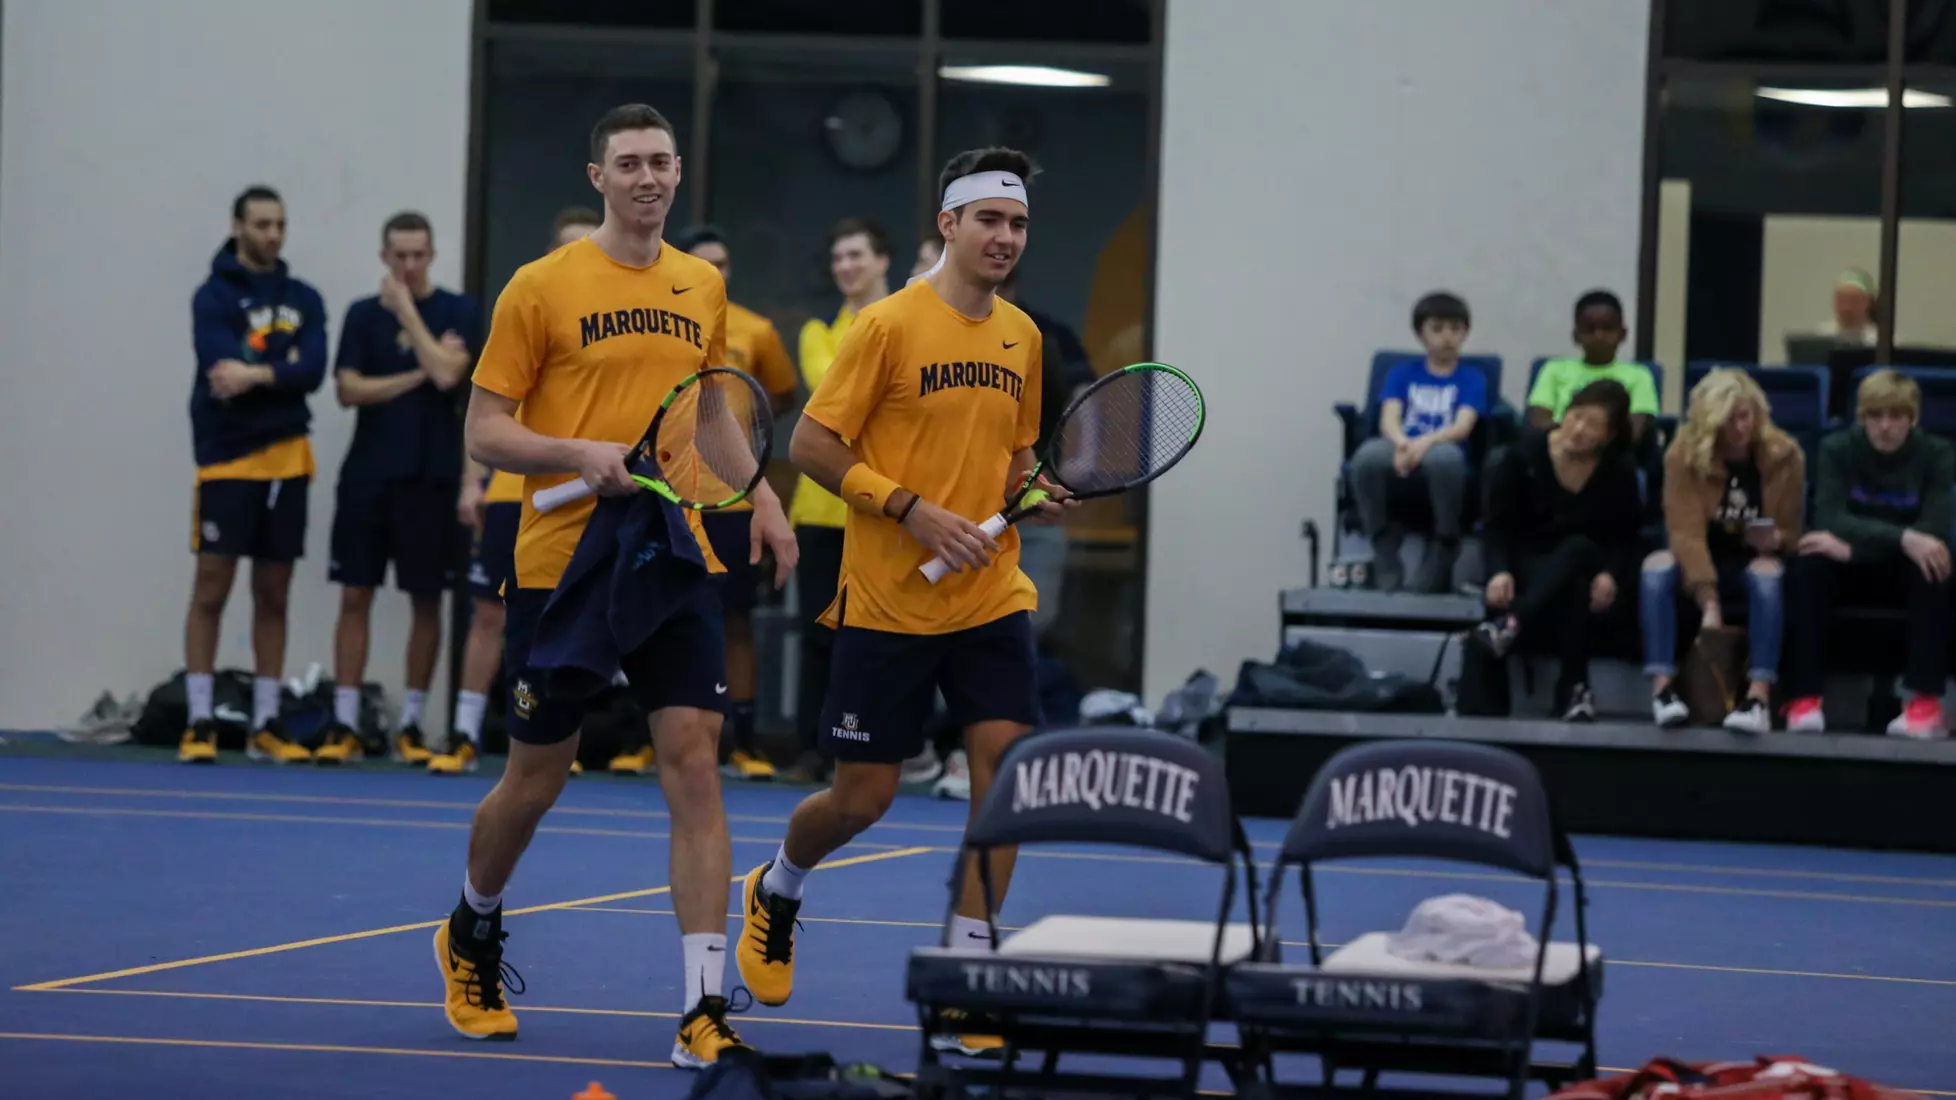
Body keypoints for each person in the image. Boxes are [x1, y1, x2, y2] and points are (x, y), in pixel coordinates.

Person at [432, 104, 795, 1069]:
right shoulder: (538, 287)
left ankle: (704, 1008)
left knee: (694, 762)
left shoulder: (701, 285)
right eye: (628, 162)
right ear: (598, 176)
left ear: (679, 174)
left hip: (667, 553)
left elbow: (709, 410)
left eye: (661, 162)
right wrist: (574, 450)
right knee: (536, 777)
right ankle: (471, 927)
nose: (647, 177)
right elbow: (484, 431)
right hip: (559, 562)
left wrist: (760, 496)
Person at [735, 146, 1070, 1056]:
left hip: (991, 593)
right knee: (862, 800)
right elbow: (810, 444)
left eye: (1020, 224)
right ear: (949, 225)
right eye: (990, 220)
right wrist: (910, 509)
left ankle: (968, 976)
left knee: (1007, 773)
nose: (1006, 237)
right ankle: (778, 885)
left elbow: (1013, 459)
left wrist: (1034, 485)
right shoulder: (883, 326)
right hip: (887, 599)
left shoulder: (1024, 339)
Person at [438, 207, 601, 774]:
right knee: (489, 616)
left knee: (576, 616)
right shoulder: (531, 308)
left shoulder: (618, 324)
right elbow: (483, 412)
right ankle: (463, 732)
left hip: (592, 498)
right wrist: (469, 483)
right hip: (516, 493)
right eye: (569, 246)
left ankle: (562, 737)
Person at [317, 212, 481, 764]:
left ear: (432, 255)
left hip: (431, 477)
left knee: (426, 599)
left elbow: (449, 376)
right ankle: (344, 723)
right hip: (368, 474)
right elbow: (347, 389)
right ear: (384, 256)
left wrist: (408, 314)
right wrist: (419, 369)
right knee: (355, 593)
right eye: (399, 256)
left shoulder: (458, 310)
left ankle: (411, 721)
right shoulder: (362, 316)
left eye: (418, 255)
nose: (408, 266)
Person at [178, 185, 326, 765]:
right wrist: (279, 371)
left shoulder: (304, 297)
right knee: (212, 587)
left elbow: (312, 369)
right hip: (227, 458)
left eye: (280, 225)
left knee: (274, 592)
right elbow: (219, 370)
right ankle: (199, 719)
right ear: (238, 226)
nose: (272, 235)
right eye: (262, 224)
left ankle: (265, 720)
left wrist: (257, 374)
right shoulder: (212, 295)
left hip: (288, 459)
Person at [667, 223, 800, 782]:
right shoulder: (664, 321)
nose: (716, 273)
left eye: (723, 263)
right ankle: (653, 738)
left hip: (734, 504)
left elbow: (782, 394)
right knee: (665, 620)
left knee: (737, 620)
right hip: (670, 496)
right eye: (705, 263)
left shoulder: (756, 330)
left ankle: (743, 740)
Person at [1781, 370, 1952, 738]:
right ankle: (1804, 699)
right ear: (1862, 419)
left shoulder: (1937, 454)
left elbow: (1932, 532)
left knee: (1934, 566)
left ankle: (1925, 705)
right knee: (1808, 565)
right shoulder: (1837, 448)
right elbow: (1829, 516)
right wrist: (1903, 538)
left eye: (1896, 417)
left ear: (1914, 418)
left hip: (1897, 570)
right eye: (1875, 417)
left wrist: (1856, 548)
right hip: (1856, 569)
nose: (1885, 427)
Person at [783, 218, 894, 784]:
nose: (846, 266)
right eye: (839, 258)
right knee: (817, 631)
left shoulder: (905, 325)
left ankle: (873, 743)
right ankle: (814, 747)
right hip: (821, 510)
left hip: (885, 508)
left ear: (882, 262)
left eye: (856, 255)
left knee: (877, 635)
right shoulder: (816, 334)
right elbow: (838, 389)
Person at [1640, 370, 1804, 732]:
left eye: (1744, 416)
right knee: (1655, 568)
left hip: (1754, 560)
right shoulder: (1683, 455)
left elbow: (1793, 533)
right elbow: (1685, 533)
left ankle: (1758, 697)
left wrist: (1776, 539)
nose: (1739, 428)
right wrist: (1708, 601)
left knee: (1767, 576)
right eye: (1728, 420)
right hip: (1699, 561)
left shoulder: (1784, 454)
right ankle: (1662, 691)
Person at [1476, 380, 1644, 721]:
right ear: (1564, 414)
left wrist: (1612, 575)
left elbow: (1626, 537)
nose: (1579, 429)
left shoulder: (1618, 471)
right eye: (1576, 416)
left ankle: (1511, 625)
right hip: (1530, 569)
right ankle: (1575, 688)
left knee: (1579, 552)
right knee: (1574, 579)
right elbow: (1496, 526)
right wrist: (1498, 571)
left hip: (1589, 569)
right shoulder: (1522, 455)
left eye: (1593, 425)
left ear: (1609, 436)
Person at [1348, 291, 1487, 593]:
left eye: (1455, 329)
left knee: (1445, 459)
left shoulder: (1471, 378)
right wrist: (1401, 444)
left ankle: (1445, 543)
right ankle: (1383, 546)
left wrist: (1422, 444)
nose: (1447, 337)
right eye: (1437, 329)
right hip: (1402, 446)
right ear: (1421, 334)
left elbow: (1462, 427)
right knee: (1367, 457)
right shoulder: (1402, 374)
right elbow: (1389, 419)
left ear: (1465, 333)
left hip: (1443, 447)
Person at [1527, 290, 1660, 445]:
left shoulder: (1639, 376)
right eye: (1590, 329)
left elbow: (1635, 429)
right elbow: (1538, 421)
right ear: (1576, 336)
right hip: (1559, 451)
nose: (1599, 336)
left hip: (1613, 455)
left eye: (1608, 328)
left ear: (1622, 334)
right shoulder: (1553, 370)